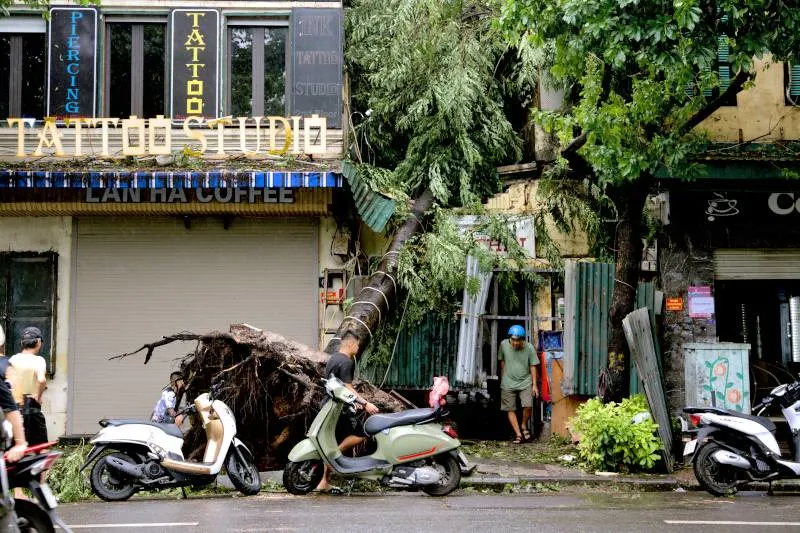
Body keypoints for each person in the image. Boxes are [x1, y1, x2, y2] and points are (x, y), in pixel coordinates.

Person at [316, 333, 379, 492]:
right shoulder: (346, 362)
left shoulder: (333, 359)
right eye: (357, 345)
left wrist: (353, 402)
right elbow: (347, 387)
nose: (358, 348)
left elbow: (336, 386)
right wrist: (365, 403)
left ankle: (323, 481)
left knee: (333, 441)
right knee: (360, 434)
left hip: (329, 405)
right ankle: (335, 455)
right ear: (350, 345)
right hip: (340, 409)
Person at [0, 325, 33, 506]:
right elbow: (16, 398)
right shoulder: (7, 365)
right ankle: (18, 493)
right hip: (11, 420)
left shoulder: (11, 362)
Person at [499, 325, 540, 444]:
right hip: (508, 381)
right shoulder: (503, 345)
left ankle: (523, 425)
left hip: (525, 381)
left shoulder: (529, 348)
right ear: (509, 339)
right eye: (513, 340)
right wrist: (502, 379)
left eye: (518, 340)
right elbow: (502, 361)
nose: (516, 343)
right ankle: (518, 434)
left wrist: (534, 385)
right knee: (510, 408)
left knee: (528, 405)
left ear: (522, 340)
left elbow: (533, 365)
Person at [9, 327, 48, 447]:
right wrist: (38, 395)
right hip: (32, 409)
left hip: (14, 409)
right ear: (38, 342)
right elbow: (41, 380)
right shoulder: (38, 360)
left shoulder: (12, 360)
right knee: (40, 449)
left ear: (22, 343)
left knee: (16, 449)